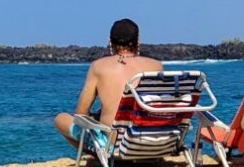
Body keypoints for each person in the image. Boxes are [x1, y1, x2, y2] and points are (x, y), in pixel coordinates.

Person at [53, 18, 163, 147]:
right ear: (137, 41)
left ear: (109, 42)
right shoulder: (156, 66)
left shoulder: (98, 66)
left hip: (115, 146)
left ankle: (98, 155)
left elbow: (80, 114)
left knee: (60, 119)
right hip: (153, 141)